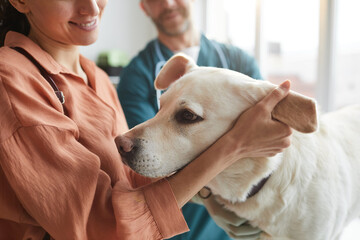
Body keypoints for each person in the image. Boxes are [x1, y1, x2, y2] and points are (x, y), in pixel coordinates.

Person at [0, 0, 292, 239]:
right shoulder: (10, 79)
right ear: (20, 1)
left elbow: (136, 179)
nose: (91, 8)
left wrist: (212, 197)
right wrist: (234, 145)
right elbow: (100, 226)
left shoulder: (97, 78)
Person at [117, 0, 264, 239]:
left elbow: (263, 138)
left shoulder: (238, 63)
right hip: (180, 227)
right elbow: (150, 164)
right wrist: (235, 143)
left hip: (243, 223)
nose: (168, 3)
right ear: (144, 7)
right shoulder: (136, 75)